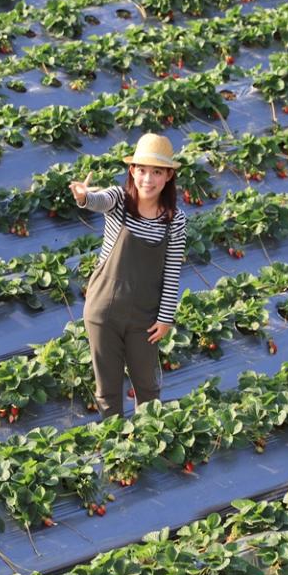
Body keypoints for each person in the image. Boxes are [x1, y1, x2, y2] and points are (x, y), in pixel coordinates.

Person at [70, 133, 188, 420]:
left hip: (144, 316)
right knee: (107, 386)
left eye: (156, 172)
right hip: (103, 310)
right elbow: (97, 200)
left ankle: (146, 440)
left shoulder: (174, 219)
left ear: (168, 176)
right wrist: (84, 197)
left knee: (146, 385)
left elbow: (172, 270)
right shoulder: (119, 201)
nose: (148, 179)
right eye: (142, 170)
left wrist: (165, 317)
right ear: (132, 171)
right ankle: (116, 447)